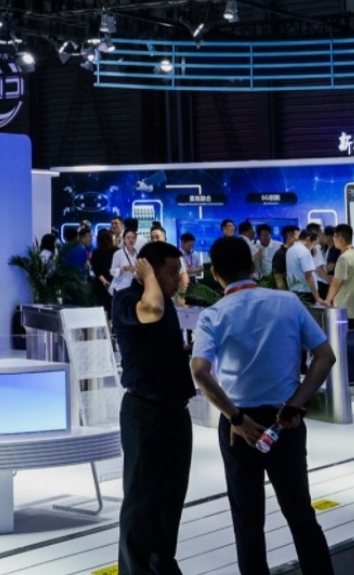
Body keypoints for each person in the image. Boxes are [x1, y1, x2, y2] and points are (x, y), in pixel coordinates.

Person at [191, 235, 338, 575]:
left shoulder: (213, 315)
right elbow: (325, 356)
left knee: (248, 521)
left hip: (239, 425)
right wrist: (296, 404)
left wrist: (235, 418)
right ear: (253, 266)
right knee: (300, 513)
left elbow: (199, 370)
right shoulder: (288, 302)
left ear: (215, 274)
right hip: (285, 419)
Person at [112, 239, 194, 575]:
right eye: (172, 272)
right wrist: (146, 276)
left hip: (175, 411)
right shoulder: (127, 299)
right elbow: (152, 311)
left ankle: (161, 565)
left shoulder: (166, 301)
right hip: (144, 413)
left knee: (170, 500)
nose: (178, 279)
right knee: (141, 501)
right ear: (148, 269)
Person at [323, 224, 354, 387]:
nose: (333, 240)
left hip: (344, 309)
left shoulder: (343, 258)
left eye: (335, 237)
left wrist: (328, 300)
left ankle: (353, 382)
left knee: (348, 348)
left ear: (340, 238)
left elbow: (337, 282)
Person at [286, 226, 319, 303]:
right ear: (308, 239)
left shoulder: (290, 250)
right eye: (313, 244)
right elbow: (308, 276)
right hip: (305, 293)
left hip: (294, 291)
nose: (313, 247)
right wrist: (317, 297)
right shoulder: (304, 251)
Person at [110, 221, 142, 295]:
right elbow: (112, 271)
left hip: (133, 288)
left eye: (133, 238)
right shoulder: (118, 253)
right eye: (128, 238)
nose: (131, 240)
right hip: (120, 288)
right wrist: (124, 269)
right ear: (124, 239)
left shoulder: (137, 254)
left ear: (136, 239)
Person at [271, 225, 298, 290]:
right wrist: (285, 293)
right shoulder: (280, 255)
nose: (300, 240)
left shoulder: (295, 252)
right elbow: (278, 278)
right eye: (298, 236)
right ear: (290, 238)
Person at [93, 227, 119, 293]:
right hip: (116, 282)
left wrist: (104, 281)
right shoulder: (117, 250)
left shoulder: (95, 253)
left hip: (101, 284)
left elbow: (96, 270)